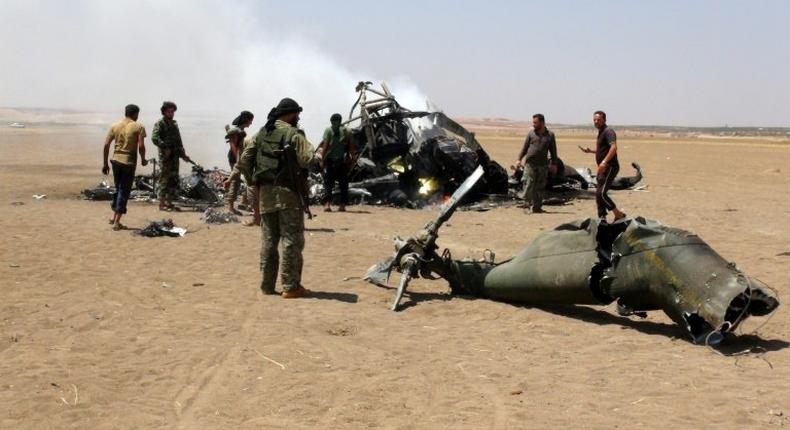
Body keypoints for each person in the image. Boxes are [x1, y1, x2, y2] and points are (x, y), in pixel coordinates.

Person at [237, 98, 314, 298]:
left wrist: (253, 182)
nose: (298, 117)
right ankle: (290, 287)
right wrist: (320, 153)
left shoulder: (261, 133)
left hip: (265, 195)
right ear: (291, 114)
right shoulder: (293, 133)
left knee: (269, 241)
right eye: (297, 114)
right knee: (291, 240)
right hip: (288, 194)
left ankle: (267, 286)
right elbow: (308, 160)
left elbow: (244, 161)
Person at [102, 104, 148, 230]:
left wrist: (105, 163)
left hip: (115, 161)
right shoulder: (139, 127)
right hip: (129, 162)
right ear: (135, 114)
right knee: (124, 191)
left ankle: (113, 217)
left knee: (118, 188)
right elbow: (141, 146)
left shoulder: (115, 125)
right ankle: (117, 222)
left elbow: (106, 145)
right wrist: (143, 159)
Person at [579, 110, 627, 222]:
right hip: (603, 168)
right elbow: (603, 150)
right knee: (598, 194)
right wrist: (591, 151)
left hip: (610, 167)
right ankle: (602, 218)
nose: (596, 121)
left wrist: (604, 162)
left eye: (598, 119)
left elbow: (613, 148)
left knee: (602, 193)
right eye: (594, 120)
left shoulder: (608, 131)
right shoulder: (601, 132)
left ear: (604, 120)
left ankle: (618, 214)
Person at [152, 101, 192, 211]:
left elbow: (179, 141)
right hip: (165, 157)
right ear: (164, 112)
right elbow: (155, 138)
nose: (171, 113)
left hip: (175, 157)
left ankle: (169, 203)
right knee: (164, 180)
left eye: (172, 111)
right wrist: (164, 147)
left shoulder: (174, 124)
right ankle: (161, 204)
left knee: (173, 180)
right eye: (169, 111)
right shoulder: (160, 124)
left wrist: (183, 154)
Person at [513, 113, 558, 213]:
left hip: (543, 164)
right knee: (528, 183)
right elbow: (524, 148)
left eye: (535, 122)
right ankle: (527, 205)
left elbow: (553, 151)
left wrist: (554, 164)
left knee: (540, 186)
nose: (533, 124)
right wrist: (519, 159)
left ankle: (537, 207)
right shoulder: (531, 134)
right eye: (533, 122)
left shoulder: (550, 135)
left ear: (542, 122)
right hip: (530, 163)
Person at [318, 113, 356, 212]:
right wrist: (353, 159)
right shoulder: (345, 131)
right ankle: (336, 204)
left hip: (336, 161)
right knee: (338, 183)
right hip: (337, 161)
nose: (334, 123)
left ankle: (332, 205)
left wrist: (322, 161)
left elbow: (325, 147)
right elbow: (352, 147)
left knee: (332, 184)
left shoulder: (331, 130)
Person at [223, 110, 254, 215]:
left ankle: (244, 201)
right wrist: (238, 160)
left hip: (241, 157)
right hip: (235, 157)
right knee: (235, 181)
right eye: (250, 120)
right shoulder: (235, 131)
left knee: (248, 179)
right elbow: (233, 146)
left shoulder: (240, 130)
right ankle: (230, 206)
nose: (251, 123)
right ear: (246, 120)